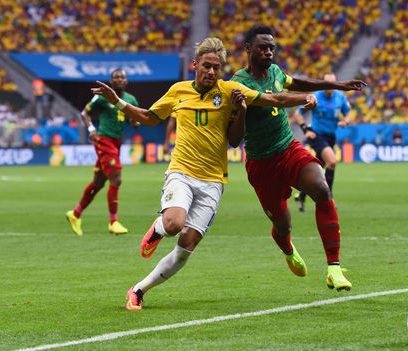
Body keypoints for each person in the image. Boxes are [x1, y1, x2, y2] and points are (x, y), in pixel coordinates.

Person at [90, 37, 318, 310]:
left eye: (217, 67)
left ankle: (138, 290)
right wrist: (117, 102)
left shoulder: (232, 90)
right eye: (207, 66)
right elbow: (150, 117)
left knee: (186, 248)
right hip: (182, 172)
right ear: (195, 65)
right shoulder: (178, 91)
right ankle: (159, 228)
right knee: (174, 224)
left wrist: (252, 108)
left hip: (212, 181)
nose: (212, 72)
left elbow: (268, 105)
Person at [231, 25, 366, 291]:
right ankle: (289, 249)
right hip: (261, 163)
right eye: (263, 47)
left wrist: (336, 85)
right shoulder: (239, 83)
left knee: (321, 189)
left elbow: (299, 82)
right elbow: (275, 99)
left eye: (272, 47)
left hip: (288, 148)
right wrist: (303, 98)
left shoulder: (276, 72)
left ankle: (334, 268)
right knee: (282, 224)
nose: (269, 52)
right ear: (248, 49)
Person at [65, 68, 138, 236]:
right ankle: (113, 222)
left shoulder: (131, 99)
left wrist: (136, 122)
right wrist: (91, 130)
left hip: (117, 143)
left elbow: (134, 121)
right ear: (111, 81)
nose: (119, 79)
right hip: (104, 140)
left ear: (126, 81)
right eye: (116, 77)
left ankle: (75, 214)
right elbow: (85, 113)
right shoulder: (102, 96)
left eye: (122, 77)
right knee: (116, 178)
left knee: (98, 183)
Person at [293, 72, 351, 212]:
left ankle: (301, 196)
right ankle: (328, 198)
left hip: (331, 137)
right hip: (317, 136)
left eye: (332, 84)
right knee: (332, 162)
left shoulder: (340, 98)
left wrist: (346, 121)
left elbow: (348, 112)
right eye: (326, 84)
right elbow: (298, 113)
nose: (329, 87)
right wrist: (306, 130)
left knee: (317, 171)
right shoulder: (316, 97)